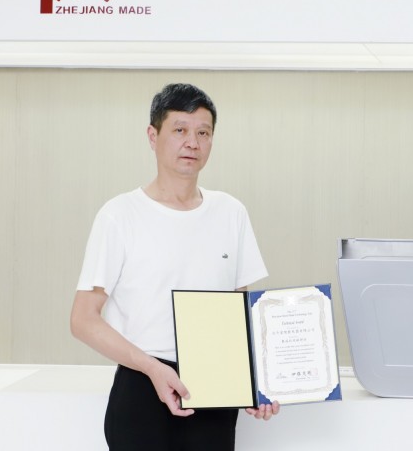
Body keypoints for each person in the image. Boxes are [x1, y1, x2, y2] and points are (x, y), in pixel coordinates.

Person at [71, 83, 279, 451]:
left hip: (214, 387)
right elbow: (82, 319)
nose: (192, 143)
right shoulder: (119, 215)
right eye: (180, 130)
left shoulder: (231, 212)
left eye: (203, 133)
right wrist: (152, 367)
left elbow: (238, 314)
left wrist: (255, 381)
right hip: (141, 385)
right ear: (153, 136)